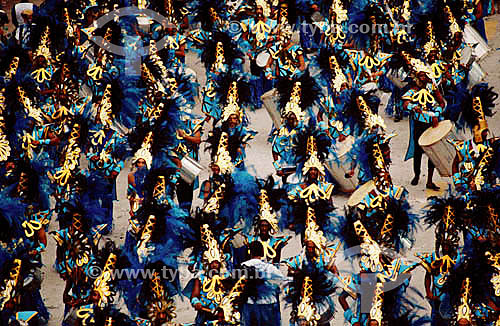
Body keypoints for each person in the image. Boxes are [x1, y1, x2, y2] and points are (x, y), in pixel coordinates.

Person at [403, 60, 445, 190]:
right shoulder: (413, 90)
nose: (422, 78)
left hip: (431, 124)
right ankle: (417, 175)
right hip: (419, 124)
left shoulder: (432, 87)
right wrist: (413, 107)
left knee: (431, 151)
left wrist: (435, 115)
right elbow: (405, 104)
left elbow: (442, 103)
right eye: (419, 76)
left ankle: (430, 180)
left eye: (424, 75)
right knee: (418, 151)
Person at [240, 241, 287, 326]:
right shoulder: (270, 268)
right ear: (262, 252)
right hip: (268, 305)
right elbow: (281, 281)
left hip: (250, 306)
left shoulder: (242, 267)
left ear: (250, 252)